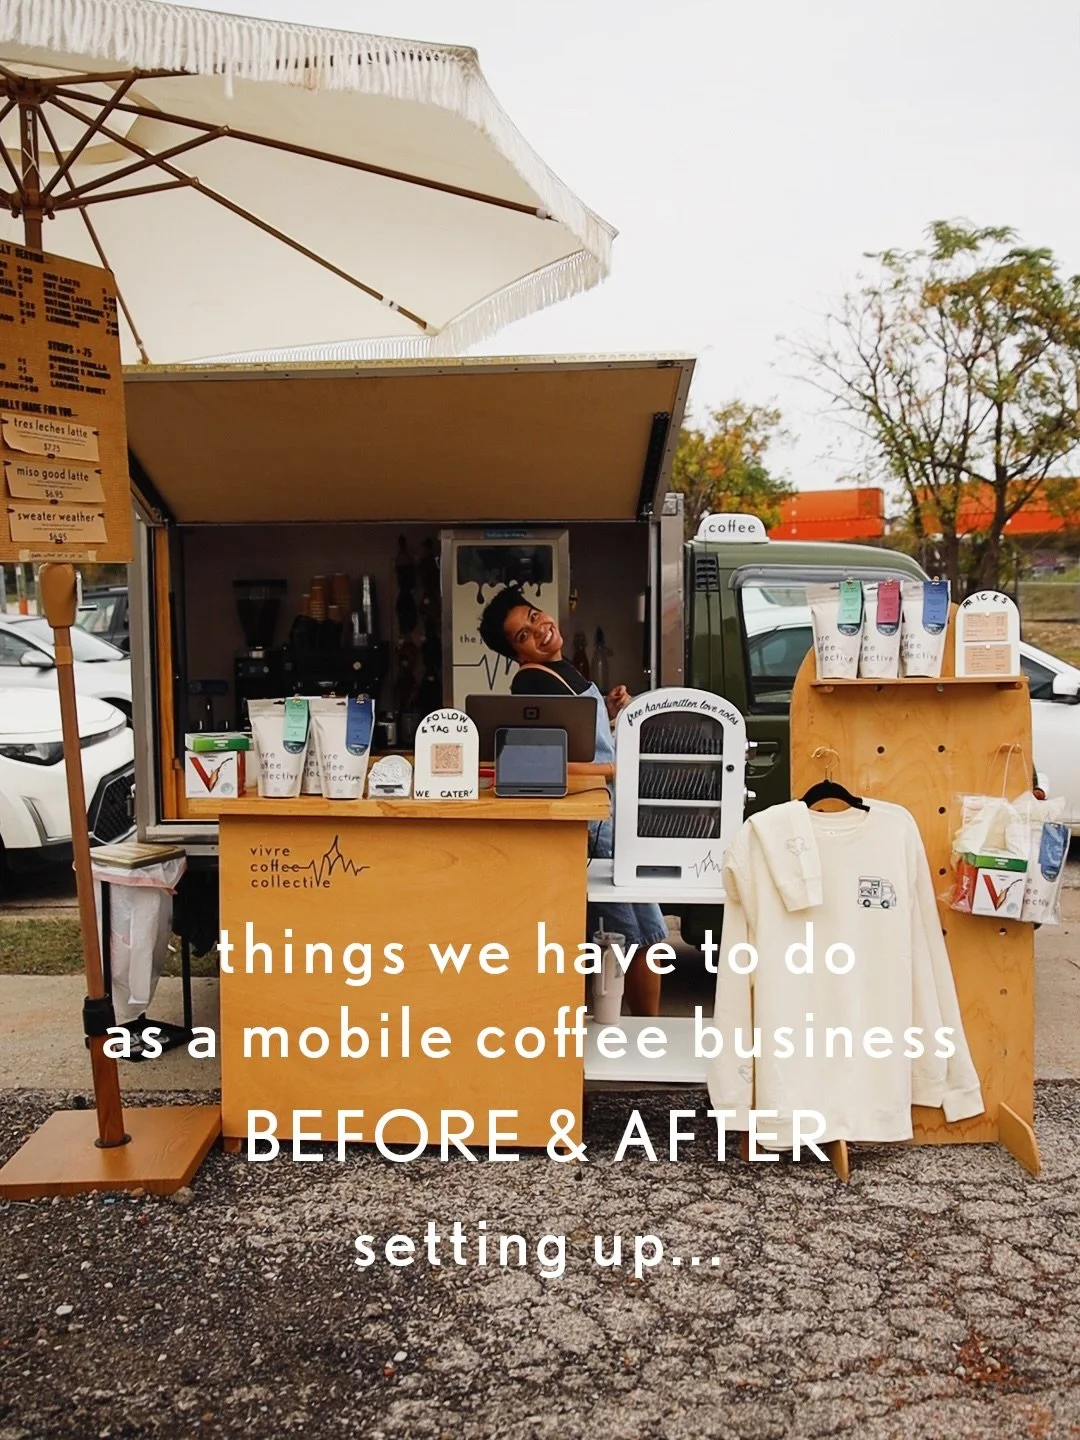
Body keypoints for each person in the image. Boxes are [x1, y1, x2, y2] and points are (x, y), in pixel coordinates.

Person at [478, 586, 667, 1016]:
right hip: (599, 820)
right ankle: (634, 1035)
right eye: (523, 635)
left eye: (534, 615)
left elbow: (578, 738)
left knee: (646, 933)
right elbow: (543, 765)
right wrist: (614, 768)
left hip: (615, 816)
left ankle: (640, 1034)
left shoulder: (559, 669)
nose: (539, 629)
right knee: (631, 936)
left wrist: (609, 708)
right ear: (516, 653)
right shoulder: (531, 680)